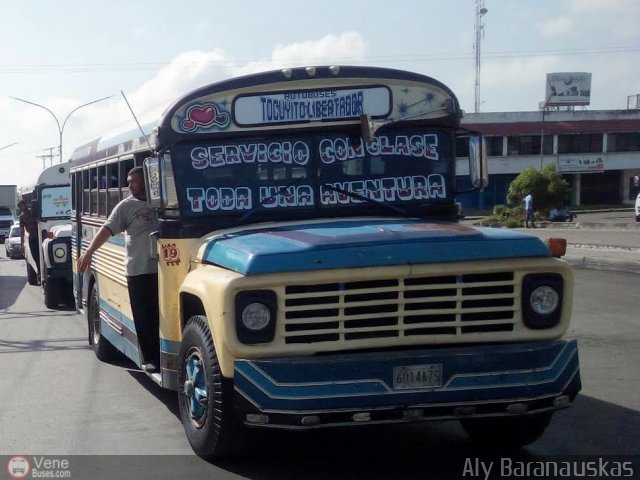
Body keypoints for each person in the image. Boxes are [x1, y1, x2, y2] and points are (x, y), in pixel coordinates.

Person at [77, 167, 160, 370]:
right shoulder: (125, 207)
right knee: (143, 315)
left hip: (163, 269)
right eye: (128, 181)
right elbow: (106, 230)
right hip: (138, 269)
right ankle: (149, 358)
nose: (130, 185)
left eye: (134, 181)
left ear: (147, 181)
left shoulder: (162, 202)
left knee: (160, 314)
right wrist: (88, 253)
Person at [18, 200, 40, 274]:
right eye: (20, 207)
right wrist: (22, 244)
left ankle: (41, 272)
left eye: (22, 206)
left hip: (39, 236)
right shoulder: (22, 217)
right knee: (35, 256)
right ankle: (39, 271)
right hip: (32, 238)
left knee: (40, 255)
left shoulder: (32, 212)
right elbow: (22, 231)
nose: (21, 208)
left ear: (25, 205)